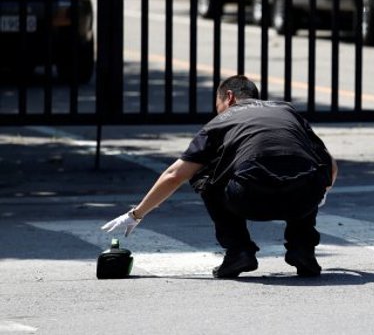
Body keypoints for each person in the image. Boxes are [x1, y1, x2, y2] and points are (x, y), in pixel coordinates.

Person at [101, 75, 338, 278]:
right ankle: (302, 249)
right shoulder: (287, 110)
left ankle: (239, 251)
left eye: (218, 103)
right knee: (307, 170)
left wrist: (136, 214)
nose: (217, 109)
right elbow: (330, 162)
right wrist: (320, 193)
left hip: (250, 197)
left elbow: (175, 175)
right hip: (303, 199)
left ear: (230, 97)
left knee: (202, 171)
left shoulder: (219, 122)